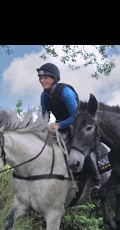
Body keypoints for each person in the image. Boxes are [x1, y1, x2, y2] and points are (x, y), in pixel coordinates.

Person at [37, 62, 101, 199]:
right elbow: (45, 116)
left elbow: (75, 116)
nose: (42, 81)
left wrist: (59, 125)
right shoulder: (44, 96)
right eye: (40, 78)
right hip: (61, 127)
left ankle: (97, 182)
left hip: (77, 126)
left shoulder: (65, 93)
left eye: (45, 78)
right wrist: (40, 127)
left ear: (54, 78)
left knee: (82, 150)